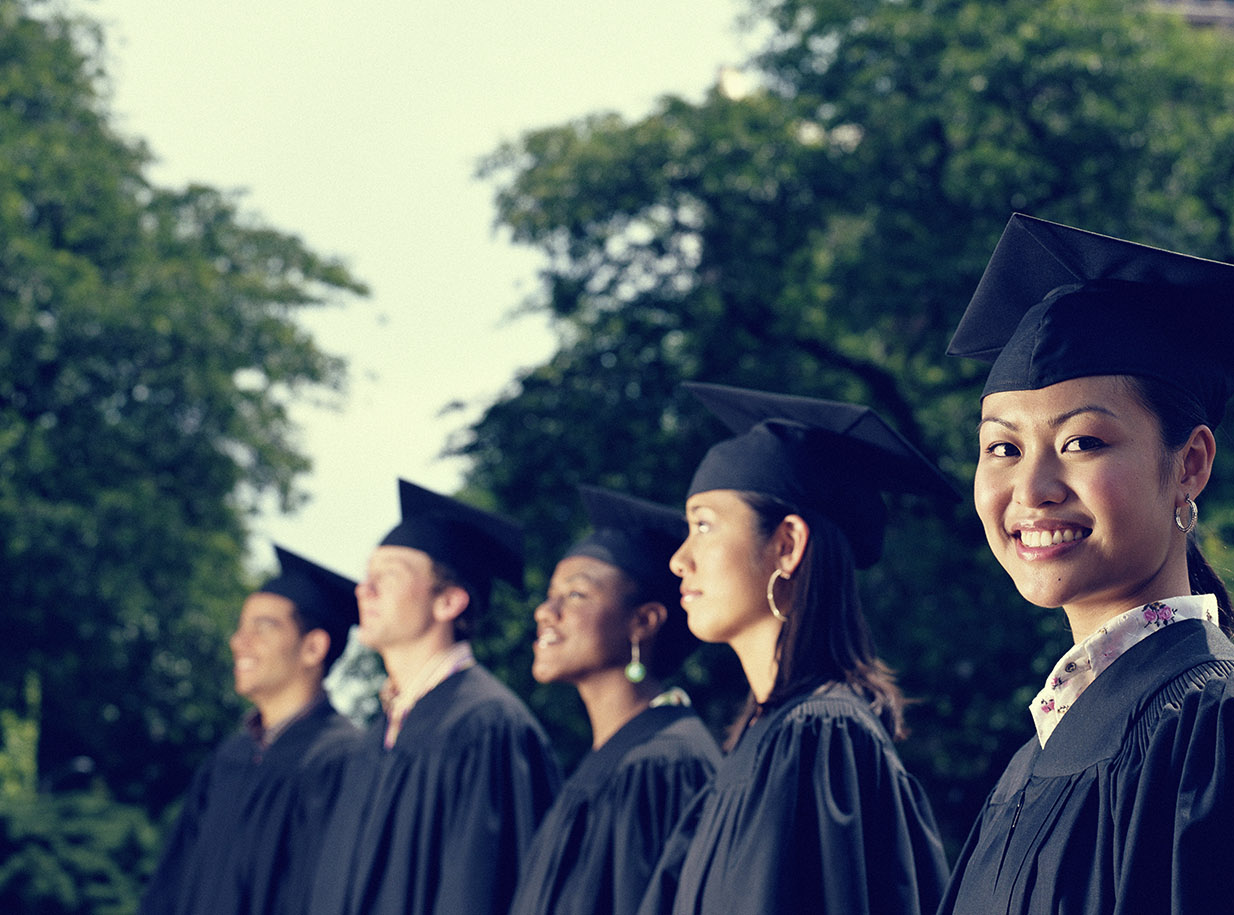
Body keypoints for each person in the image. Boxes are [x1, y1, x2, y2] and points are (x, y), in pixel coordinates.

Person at [939, 212, 1234, 913]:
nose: (1032, 489)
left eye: (1082, 441)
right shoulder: (1031, 764)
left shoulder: (1222, 728)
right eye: (1003, 448)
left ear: (1190, 464)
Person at [639, 382, 954, 915]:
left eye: (703, 526)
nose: (679, 559)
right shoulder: (765, 738)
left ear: (787, 545)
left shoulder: (821, 737)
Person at [309, 479, 561, 915]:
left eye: (386, 577)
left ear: (448, 601)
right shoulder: (377, 737)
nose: (362, 590)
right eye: (366, 577)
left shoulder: (486, 726)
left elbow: (480, 895)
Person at [509, 485, 721, 915]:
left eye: (576, 594)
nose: (545, 611)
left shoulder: (665, 765)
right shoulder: (610, 759)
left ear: (643, 621)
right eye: (551, 594)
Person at [140, 545, 361, 915]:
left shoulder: (342, 760)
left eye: (263, 627)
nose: (239, 642)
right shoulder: (228, 758)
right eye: (241, 628)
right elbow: (171, 885)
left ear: (313, 647)